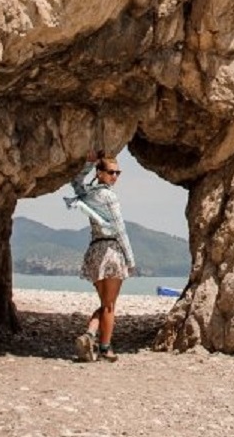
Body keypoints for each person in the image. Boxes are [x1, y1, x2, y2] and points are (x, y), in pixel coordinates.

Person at [68, 148, 136, 362]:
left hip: (94, 252)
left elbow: (75, 181)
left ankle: (90, 335)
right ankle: (105, 348)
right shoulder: (109, 196)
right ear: (100, 173)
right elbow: (120, 229)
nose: (114, 177)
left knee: (105, 302)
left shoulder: (88, 193)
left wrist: (89, 163)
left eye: (118, 173)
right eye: (111, 172)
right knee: (110, 306)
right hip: (111, 252)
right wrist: (130, 259)